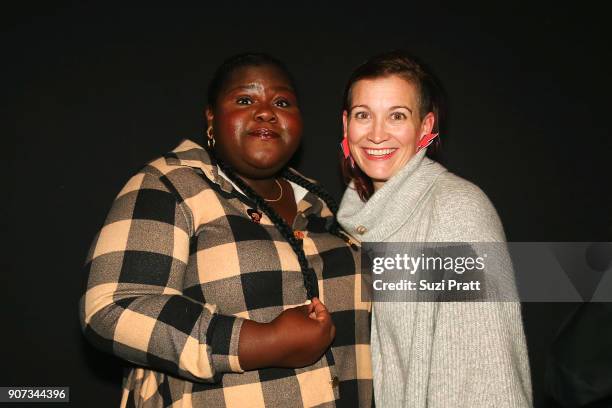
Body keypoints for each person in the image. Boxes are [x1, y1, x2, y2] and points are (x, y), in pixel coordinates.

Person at [80, 53, 372, 407]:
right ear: (211, 117)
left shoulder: (322, 203)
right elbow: (112, 309)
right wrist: (260, 341)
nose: (266, 111)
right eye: (245, 100)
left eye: (282, 102)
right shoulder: (171, 185)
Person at [336, 51, 533, 407]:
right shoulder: (356, 220)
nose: (377, 134)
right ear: (346, 124)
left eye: (397, 116)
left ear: (425, 127)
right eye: (364, 115)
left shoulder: (455, 209)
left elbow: (488, 376)